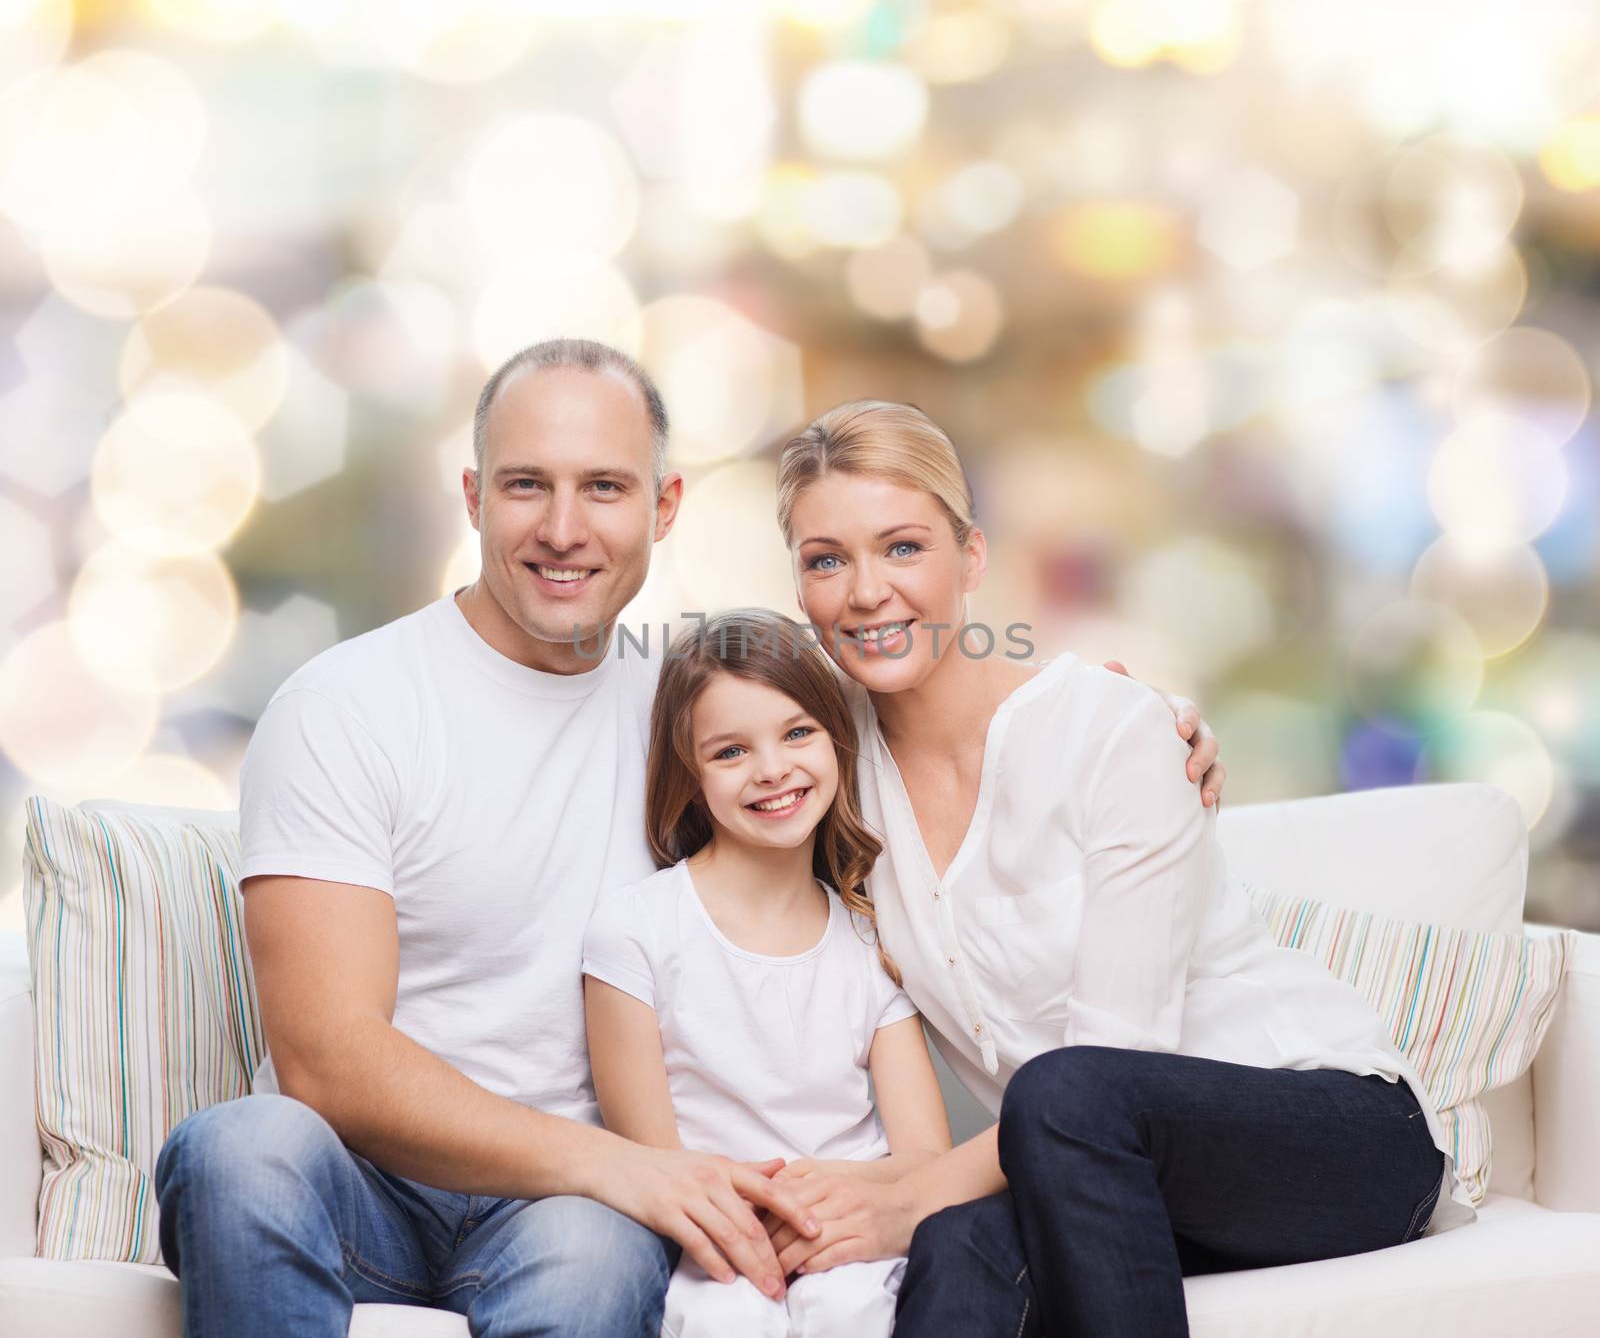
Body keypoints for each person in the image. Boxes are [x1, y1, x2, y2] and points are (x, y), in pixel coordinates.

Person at [150, 338, 1219, 1337]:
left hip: (577, 1208)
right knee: (239, 1148)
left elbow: (896, 700)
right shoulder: (347, 704)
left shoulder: (699, 709)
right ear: (474, 497)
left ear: (663, 507)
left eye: (604, 487)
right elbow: (326, 1059)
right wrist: (628, 1169)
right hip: (381, 1180)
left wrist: (1133, 722)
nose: (564, 529)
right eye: (527, 484)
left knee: (585, 1260)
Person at [752, 399, 1472, 1338]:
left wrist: (910, 1193)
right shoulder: (825, 777)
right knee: (954, 1251)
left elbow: (1112, 1059)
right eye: (825, 560)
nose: (865, 591)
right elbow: (692, 741)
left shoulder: (1112, 734)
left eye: (901, 547)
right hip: (1095, 1172)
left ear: (969, 558)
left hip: (1332, 1137)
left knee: (1063, 1089)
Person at [583, 609, 952, 1337]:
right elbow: (652, 1163)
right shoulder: (635, 930)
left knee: (852, 1310)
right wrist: (758, 1215)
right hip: (707, 1241)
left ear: (836, 742)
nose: (773, 769)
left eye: (797, 732)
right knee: (726, 1320)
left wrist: (826, 1207)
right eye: (730, 752)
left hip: (852, 1236)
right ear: (690, 778)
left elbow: (925, 1159)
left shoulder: (871, 933)